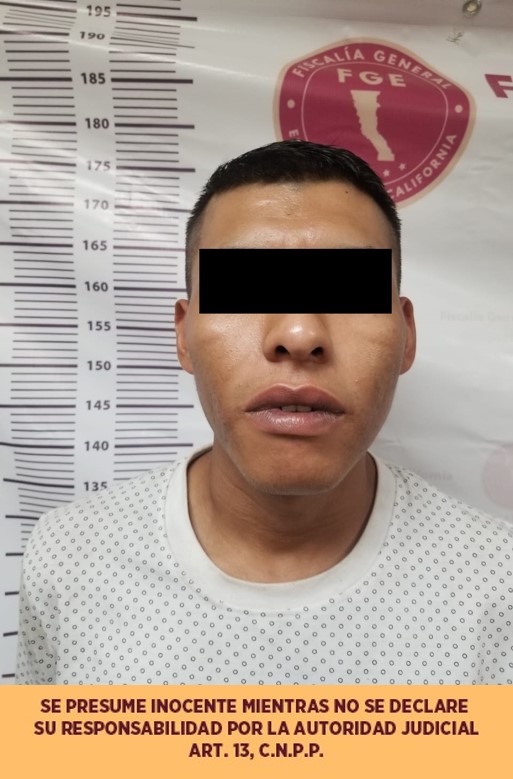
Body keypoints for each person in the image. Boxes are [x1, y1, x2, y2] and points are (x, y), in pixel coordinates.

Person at [16, 140, 513, 685]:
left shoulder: (496, 581)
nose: (298, 335)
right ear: (184, 336)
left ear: (406, 336)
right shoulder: (68, 555)